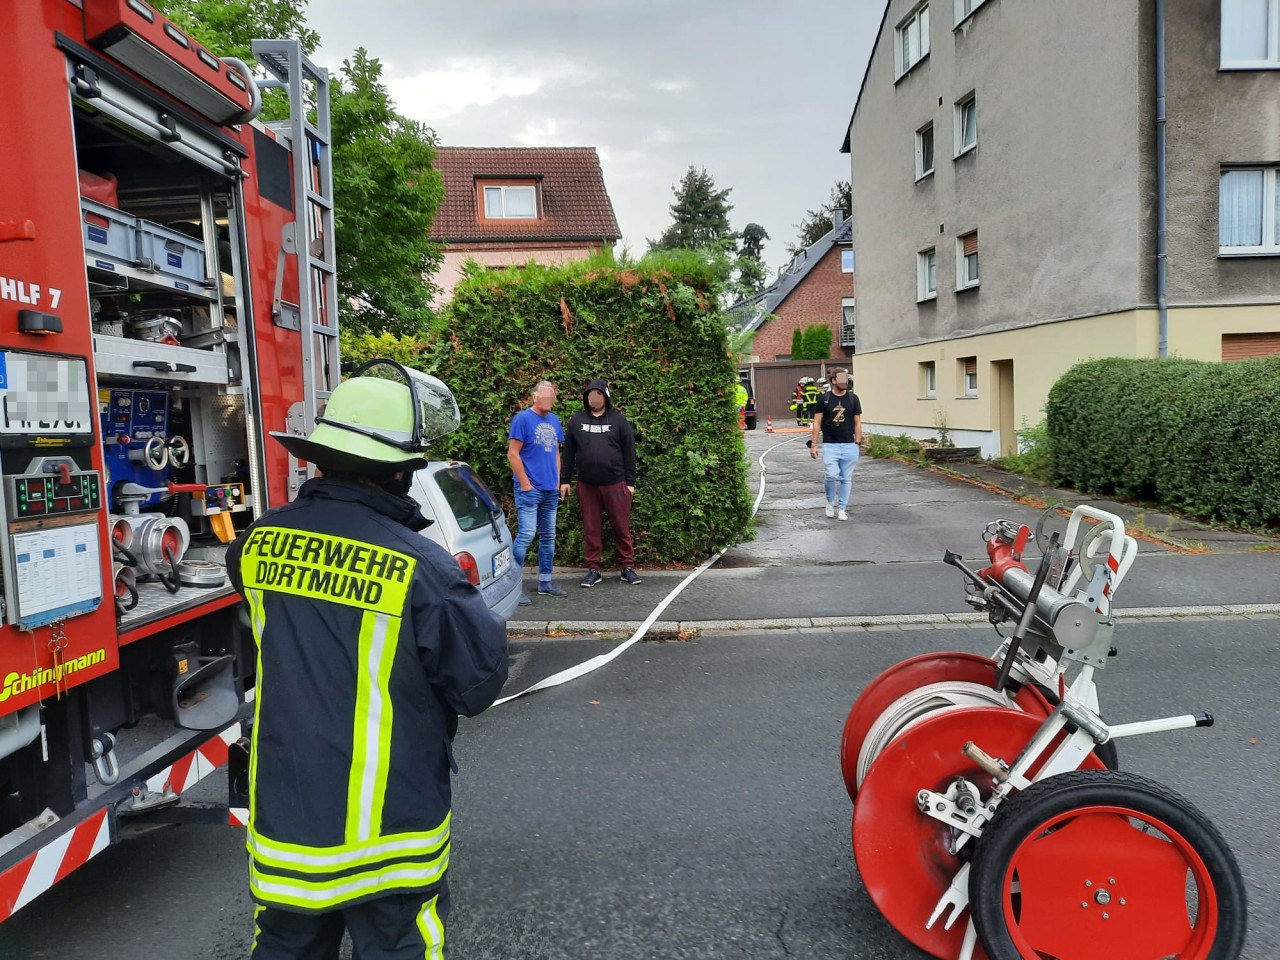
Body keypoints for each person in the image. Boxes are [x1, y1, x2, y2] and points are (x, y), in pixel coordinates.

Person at [225, 362, 509, 960]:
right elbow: (477, 685)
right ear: (401, 472)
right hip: (391, 831)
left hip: (289, 823)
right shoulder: (422, 567)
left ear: (322, 456)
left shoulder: (255, 546)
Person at [559, 378, 641, 587]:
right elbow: (568, 453)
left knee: (621, 527)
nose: (594, 399)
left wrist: (630, 483)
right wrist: (565, 480)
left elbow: (629, 452)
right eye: (590, 395)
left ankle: (626, 567)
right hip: (587, 485)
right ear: (586, 398)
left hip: (616, 484)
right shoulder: (577, 421)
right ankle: (594, 569)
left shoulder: (619, 420)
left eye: (598, 395)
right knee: (591, 528)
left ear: (606, 397)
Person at [507, 380, 566, 603]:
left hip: (550, 490)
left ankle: (545, 583)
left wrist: (557, 481)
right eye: (544, 396)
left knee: (548, 537)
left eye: (552, 396)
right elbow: (513, 454)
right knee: (526, 536)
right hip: (530, 490)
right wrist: (525, 484)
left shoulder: (554, 420)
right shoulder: (522, 419)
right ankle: (512, 588)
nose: (548, 400)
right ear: (535, 397)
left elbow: (556, 454)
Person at [809, 367, 863, 521]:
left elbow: (857, 422)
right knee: (831, 475)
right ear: (833, 381)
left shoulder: (853, 398)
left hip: (849, 445)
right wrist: (814, 444)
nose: (845, 382)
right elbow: (817, 422)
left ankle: (842, 508)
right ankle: (829, 502)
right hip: (830, 444)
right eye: (841, 379)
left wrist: (857, 442)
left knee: (846, 478)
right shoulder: (824, 399)